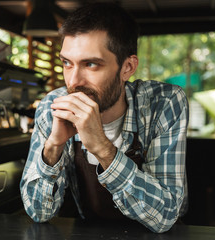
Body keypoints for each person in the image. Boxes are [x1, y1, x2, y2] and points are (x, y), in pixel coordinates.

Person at [20, 2, 189, 233]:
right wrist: (53, 146)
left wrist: (101, 146)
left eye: (91, 64)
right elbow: (38, 213)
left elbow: (164, 217)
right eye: (67, 63)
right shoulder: (52, 105)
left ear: (128, 67)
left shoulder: (164, 103)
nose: (74, 81)